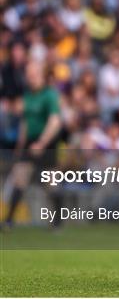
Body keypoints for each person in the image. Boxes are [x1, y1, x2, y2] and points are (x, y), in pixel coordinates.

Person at [3, 62, 63, 228]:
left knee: (51, 184)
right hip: (30, 142)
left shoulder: (49, 95)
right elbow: (25, 122)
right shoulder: (28, 95)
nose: (31, 78)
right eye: (28, 75)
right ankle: (8, 220)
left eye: (34, 75)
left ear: (41, 75)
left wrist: (42, 143)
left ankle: (57, 221)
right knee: (19, 177)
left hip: (47, 142)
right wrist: (20, 146)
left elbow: (55, 121)